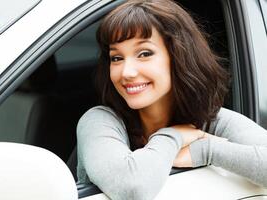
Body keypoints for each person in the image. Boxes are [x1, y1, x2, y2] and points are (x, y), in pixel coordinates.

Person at [76, 0, 267, 199]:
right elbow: (133, 188)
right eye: (116, 58)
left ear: (178, 56)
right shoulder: (99, 121)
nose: (127, 72)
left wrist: (207, 150)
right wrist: (173, 136)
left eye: (144, 53)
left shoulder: (211, 122)